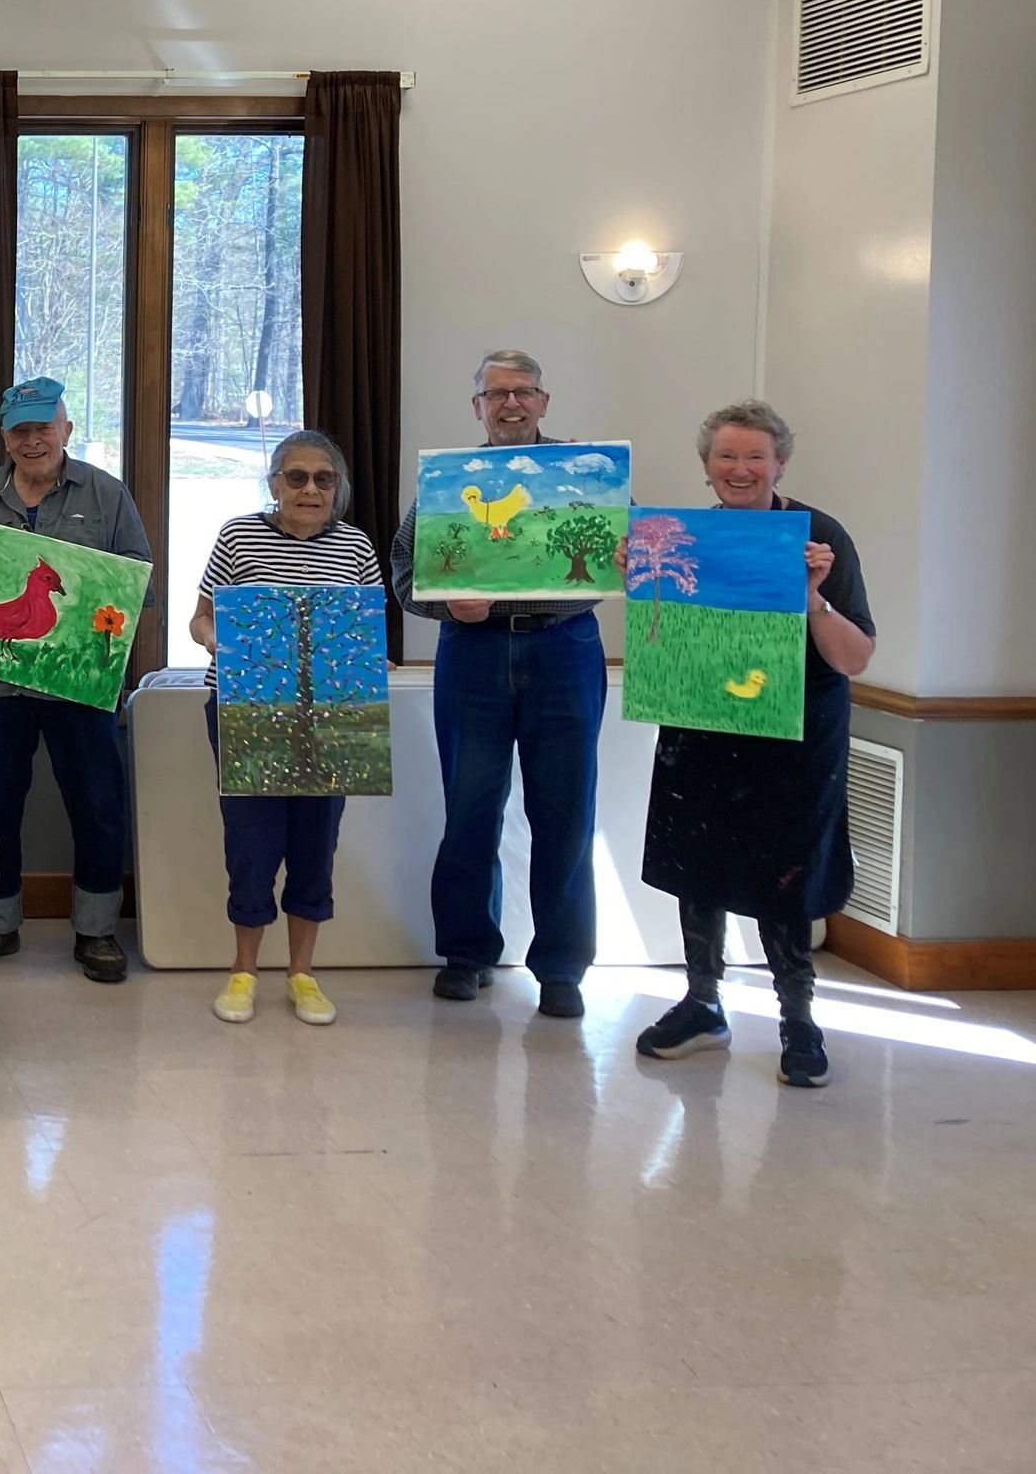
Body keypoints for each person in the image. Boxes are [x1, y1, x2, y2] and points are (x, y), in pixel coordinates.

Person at [634, 401, 874, 1089]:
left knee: (784, 873)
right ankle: (703, 1004)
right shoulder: (685, 536)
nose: (740, 470)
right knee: (695, 861)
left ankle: (798, 1019)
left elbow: (855, 657)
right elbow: (663, 634)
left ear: (780, 465)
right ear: (706, 466)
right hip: (701, 725)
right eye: (726, 457)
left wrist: (812, 597)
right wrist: (636, 572)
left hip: (793, 737)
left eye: (755, 458)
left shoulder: (818, 536)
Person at [392, 349, 605, 1018]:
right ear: (477, 407)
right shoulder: (449, 481)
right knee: (471, 809)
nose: (510, 403)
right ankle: (466, 954)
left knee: (566, 813)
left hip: (565, 647)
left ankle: (562, 969)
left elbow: (626, 551)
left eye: (522, 391)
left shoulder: (586, 471)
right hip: (473, 652)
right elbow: (404, 572)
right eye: (496, 394)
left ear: (544, 401)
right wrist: (443, 606)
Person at [0, 377, 154, 984]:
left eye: (43, 428)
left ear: (67, 430)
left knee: (97, 802)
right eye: (21, 430)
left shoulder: (106, 495)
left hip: (80, 685)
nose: (33, 441)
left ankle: (97, 929)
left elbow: (139, 580)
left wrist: (90, 597)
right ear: (5, 437)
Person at [186, 430, 385, 1027]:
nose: (309, 489)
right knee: (251, 843)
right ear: (274, 483)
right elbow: (200, 618)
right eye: (296, 477)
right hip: (248, 709)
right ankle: (243, 972)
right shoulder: (237, 536)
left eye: (323, 479)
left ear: (337, 488)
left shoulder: (357, 545)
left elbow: (369, 627)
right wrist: (217, 640)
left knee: (315, 845)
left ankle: (302, 974)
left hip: (332, 717)